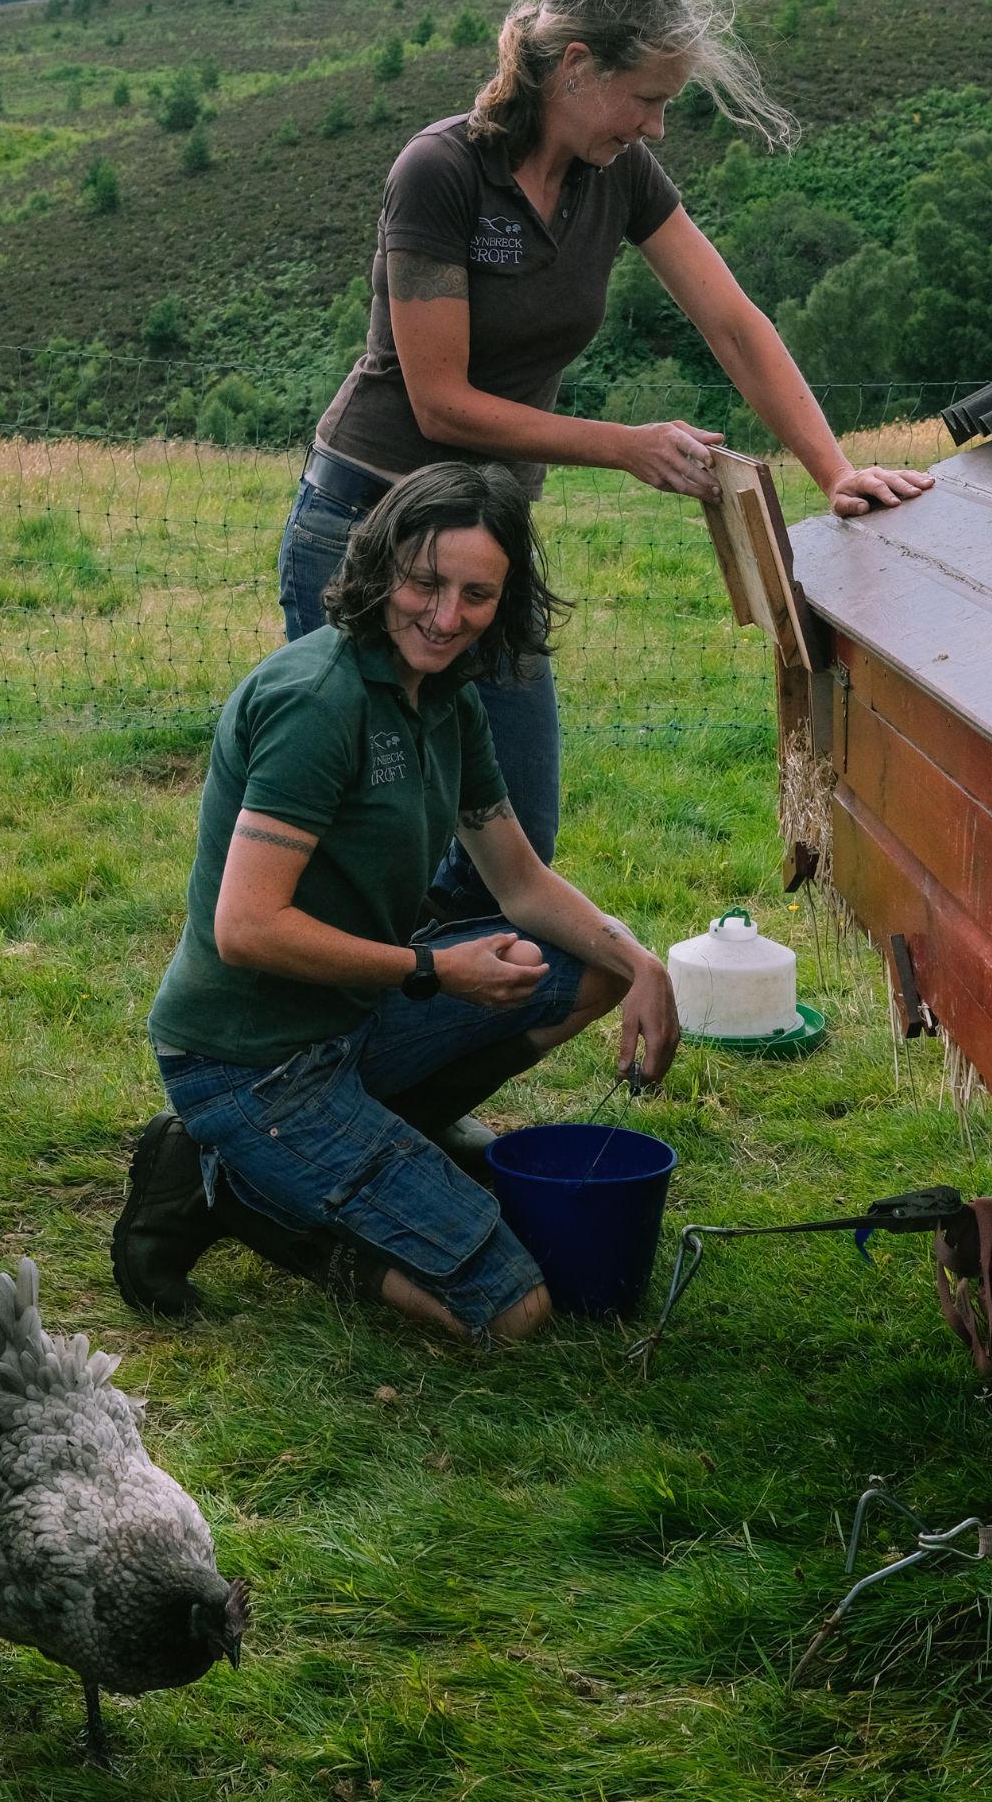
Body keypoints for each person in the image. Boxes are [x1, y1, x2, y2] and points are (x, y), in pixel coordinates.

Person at [280, 0, 934, 912]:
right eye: (646, 97)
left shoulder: (616, 177)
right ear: (577, 66)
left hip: (488, 540)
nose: (656, 125)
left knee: (519, 841)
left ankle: (418, 1031)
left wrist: (830, 467)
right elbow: (440, 402)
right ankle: (342, 1037)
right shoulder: (442, 172)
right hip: (369, 532)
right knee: (378, 835)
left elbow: (733, 323)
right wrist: (623, 447)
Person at [112, 461, 681, 1341]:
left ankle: (366, 1137)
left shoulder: (446, 701)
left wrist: (639, 960)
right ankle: (247, 1202)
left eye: (478, 594)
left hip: (353, 1018)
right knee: (512, 1311)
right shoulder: (318, 700)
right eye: (426, 583)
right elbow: (246, 927)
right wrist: (433, 969)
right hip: (247, 1060)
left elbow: (521, 884)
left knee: (581, 971)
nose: (447, 617)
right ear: (381, 569)